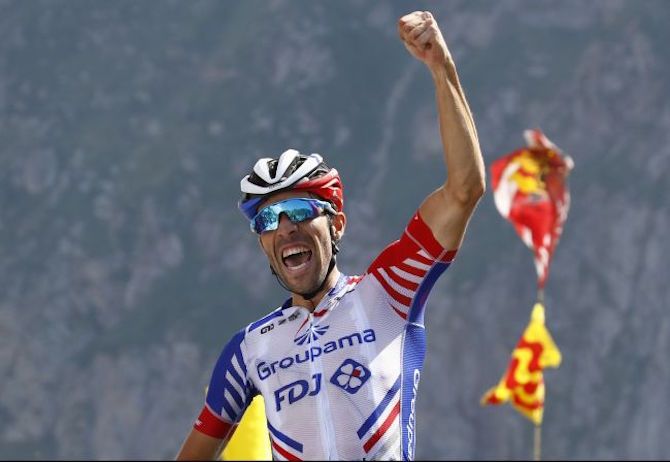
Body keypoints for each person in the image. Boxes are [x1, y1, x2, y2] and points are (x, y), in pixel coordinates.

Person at [176, 10, 485, 461]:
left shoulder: (389, 291)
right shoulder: (248, 349)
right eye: (268, 221)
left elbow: (464, 190)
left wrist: (442, 68)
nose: (286, 229)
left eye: (300, 211)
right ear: (261, 243)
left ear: (337, 224)